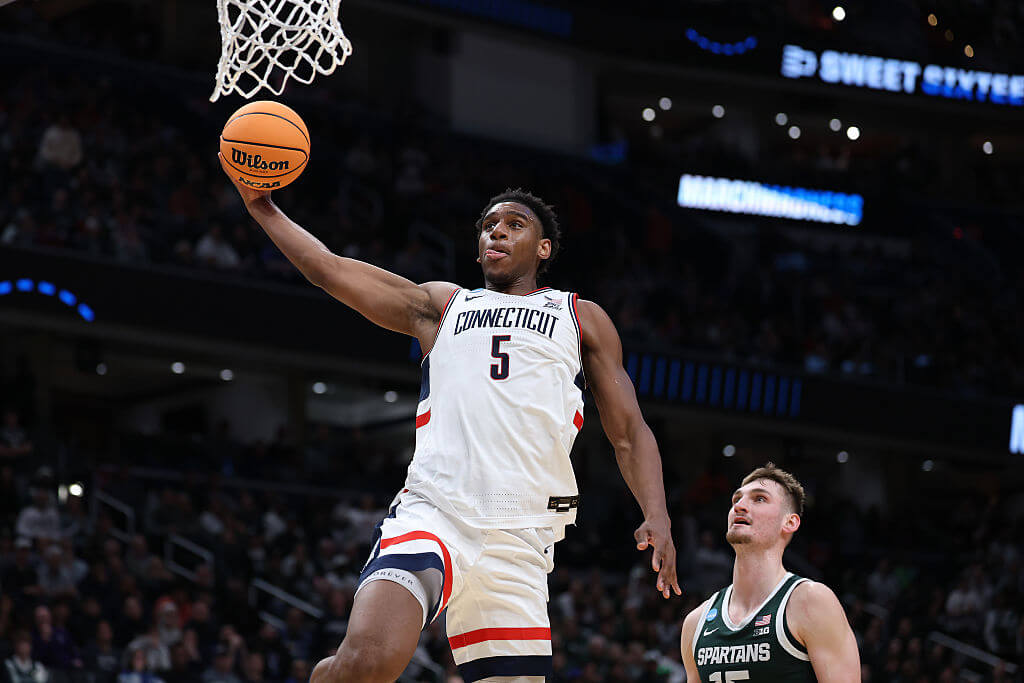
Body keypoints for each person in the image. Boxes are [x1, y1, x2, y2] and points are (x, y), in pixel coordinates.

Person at [220, 155, 680, 682]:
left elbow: (629, 432)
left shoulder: (581, 316)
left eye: (514, 224)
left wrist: (657, 513)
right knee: (370, 660)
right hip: (437, 510)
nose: (497, 232)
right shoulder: (444, 305)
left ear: (544, 248)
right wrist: (262, 207)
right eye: (488, 226)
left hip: (522, 537)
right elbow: (330, 268)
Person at [680, 463, 860, 682]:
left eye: (759, 499)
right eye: (736, 499)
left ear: (789, 522)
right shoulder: (696, 622)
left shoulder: (811, 602)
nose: (740, 506)